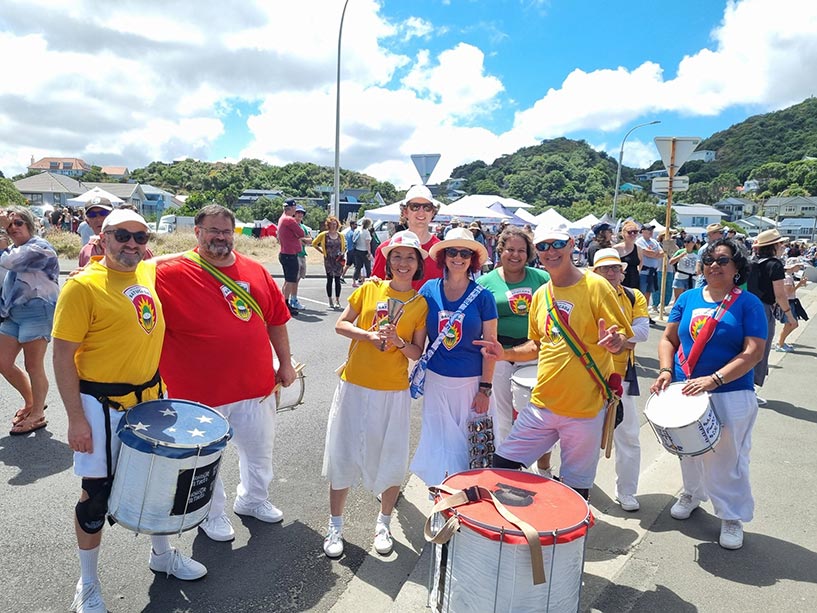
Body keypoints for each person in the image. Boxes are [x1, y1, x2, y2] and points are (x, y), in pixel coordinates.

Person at [53, 209, 206, 613]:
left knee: (158, 483)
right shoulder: (82, 287)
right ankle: (87, 584)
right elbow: (62, 356)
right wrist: (74, 418)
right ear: (102, 239)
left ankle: (161, 555)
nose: (132, 244)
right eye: (123, 235)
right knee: (94, 498)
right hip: (101, 408)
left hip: (152, 399)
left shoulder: (146, 272)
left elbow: (195, 254)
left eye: (140, 237)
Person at [155, 204, 297, 543]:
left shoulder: (255, 270)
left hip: (255, 385)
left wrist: (286, 363)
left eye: (226, 231)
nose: (220, 237)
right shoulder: (168, 272)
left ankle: (253, 500)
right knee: (204, 460)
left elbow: (276, 320)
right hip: (198, 391)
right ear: (197, 232)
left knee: (260, 450)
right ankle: (210, 513)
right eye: (212, 230)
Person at [476, 225, 631, 500]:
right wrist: (506, 354)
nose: (551, 251)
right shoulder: (541, 295)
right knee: (503, 465)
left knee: (576, 490)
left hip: (584, 410)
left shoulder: (596, 286)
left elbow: (619, 336)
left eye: (557, 244)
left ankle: (565, 541)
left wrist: (614, 341)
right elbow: (536, 345)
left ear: (571, 244)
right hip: (543, 404)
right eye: (544, 246)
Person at [650, 238, 766, 550]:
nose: (715, 265)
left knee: (728, 457)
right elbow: (668, 340)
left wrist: (714, 380)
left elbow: (753, 351)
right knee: (688, 449)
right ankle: (692, 492)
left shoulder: (748, 303)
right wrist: (664, 370)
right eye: (709, 259)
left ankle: (731, 515)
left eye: (723, 260)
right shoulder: (687, 298)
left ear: (737, 267)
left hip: (730, 391)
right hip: (686, 388)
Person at [322, 231, 429, 558]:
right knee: (343, 452)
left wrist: (397, 340)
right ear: (388, 259)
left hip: (392, 391)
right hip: (354, 384)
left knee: (391, 456)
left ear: (418, 264)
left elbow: (416, 352)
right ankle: (335, 525)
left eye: (410, 257)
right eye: (397, 256)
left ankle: (383, 523)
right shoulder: (369, 289)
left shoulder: (419, 303)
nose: (403, 263)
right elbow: (341, 325)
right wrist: (367, 335)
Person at [410, 228, 498, 486]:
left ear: (473, 259)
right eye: (452, 251)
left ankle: (465, 495)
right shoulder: (428, 289)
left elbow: (491, 347)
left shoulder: (484, 297)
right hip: (437, 380)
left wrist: (485, 389)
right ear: (443, 256)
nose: (458, 257)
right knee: (437, 438)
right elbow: (416, 329)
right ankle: (439, 490)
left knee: (468, 442)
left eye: (465, 253)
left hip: (471, 383)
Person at [476, 227, 549, 447]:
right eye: (510, 249)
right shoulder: (485, 283)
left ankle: (536, 463)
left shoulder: (543, 278)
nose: (515, 255)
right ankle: (504, 460)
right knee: (501, 414)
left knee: (535, 412)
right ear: (500, 251)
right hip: (498, 355)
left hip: (533, 353)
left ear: (529, 254)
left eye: (521, 250)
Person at [590, 248, 649, 511]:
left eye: (615, 268)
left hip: (622, 374)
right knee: (584, 435)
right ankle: (581, 486)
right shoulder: (586, 296)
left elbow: (643, 331)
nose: (611, 273)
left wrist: (621, 339)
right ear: (595, 272)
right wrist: (626, 338)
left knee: (628, 435)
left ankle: (626, 490)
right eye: (605, 269)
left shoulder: (633, 296)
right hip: (589, 375)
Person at [0, 207, 60, 435]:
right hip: (13, 313)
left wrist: (1, 228)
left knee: (33, 366)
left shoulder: (40, 248)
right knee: (3, 362)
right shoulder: (13, 248)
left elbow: (11, 263)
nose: (13, 228)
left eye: (18, 223)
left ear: (29, 225)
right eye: (10, 224)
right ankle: (31, 401)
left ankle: (37, 414)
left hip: (38, 311)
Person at [747, 228, 792, 403]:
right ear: (773, 246)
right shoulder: (775, 265)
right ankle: (751, 389)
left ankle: (745, 386)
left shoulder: (752, 262)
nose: (783, 246)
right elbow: (780, 294)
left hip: (748, 307)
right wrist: (789, 315)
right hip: (765, 309)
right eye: (781, 243)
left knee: (747, 347)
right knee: (760, 349)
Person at [372, 184, 443, 290]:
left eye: (427, 207)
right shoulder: (386, 249)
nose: (421, 211)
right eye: (415, 206)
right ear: (405, 211)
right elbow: (375, 288)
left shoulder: (441, 250)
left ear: (433, 212)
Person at [277, 199, 307, 314]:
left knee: (287, 281)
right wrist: (296, 234)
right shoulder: (289, 220)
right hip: (290, 254)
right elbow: (301, 233)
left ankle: (284, 303)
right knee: (290, 281)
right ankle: (285, 304)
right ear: (293, 208)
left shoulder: (282, 218)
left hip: (285, 253)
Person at [774, 257, 808, 352]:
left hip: (790, 301)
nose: (799, 268)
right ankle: (780, 343)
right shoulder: (788, 277)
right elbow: (789, 291)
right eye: (798, 266)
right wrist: (800, 284)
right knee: (790, 324)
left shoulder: (788, 276)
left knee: (791, 324)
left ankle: (781, 342)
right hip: (789, 302)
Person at [313, 216, 346, 309]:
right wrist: (323, 252)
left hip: (338, 260)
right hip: (329, 260)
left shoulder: (341, 235)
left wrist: (343, 254)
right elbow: (314, 243)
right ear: (328, 225)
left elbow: (343, 247)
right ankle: (330, 300)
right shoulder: (324, 235)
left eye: (335, 224)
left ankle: (337, 300)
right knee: (330, 279)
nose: (333, 226)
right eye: (331, 224)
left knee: (337, 280)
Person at [635, 224, 663, 312]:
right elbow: (647, 252)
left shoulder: (654, 242)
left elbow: (662, 253)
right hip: (643, 272)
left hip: (653, 272)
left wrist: (655, 254)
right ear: (642, 231)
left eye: (652, 229)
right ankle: (639, 313)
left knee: (648, 294)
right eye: (648, 229)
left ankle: (645, 313)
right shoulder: (639, 242)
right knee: (641, 295)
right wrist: (656, 254)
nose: (651, 231)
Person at [292, 205, 312, 310]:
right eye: (298, 212)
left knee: (298, 278)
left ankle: (292, 298)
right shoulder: (292, 225)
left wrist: (302, 239)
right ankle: (292, 299)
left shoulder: (303, 227)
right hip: (294, 255)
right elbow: (296, 239)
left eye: (302, 213)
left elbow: (310, 240)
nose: (300, 214)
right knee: (292, 279)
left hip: (302, 254)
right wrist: (303, 240)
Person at [670, 235, 700, 301]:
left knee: (689, 299)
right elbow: (671, 262)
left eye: (688, 242)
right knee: (678, 299)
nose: (686, 244)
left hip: (692, 278)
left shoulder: (697, 253)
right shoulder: (680, 251)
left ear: (693, 243)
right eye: (685, 242)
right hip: (680, 277)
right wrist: (680, 256)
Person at [615, 220, 642, 290]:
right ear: (623, 233)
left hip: (634, 281)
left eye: (635, 232)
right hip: (620, 281)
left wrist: (638, 273)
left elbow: (641, 263)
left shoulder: (639, 249)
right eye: (629, 232)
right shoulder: (616, 248)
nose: (633, 234)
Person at [351, 218, 373, 287]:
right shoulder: (366, 232)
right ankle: (369, 281)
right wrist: (369, 252)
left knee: (358, 267)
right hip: (365, 251)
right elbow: (367, 243)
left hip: (357, 250)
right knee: (367, 267)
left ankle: (354, 281)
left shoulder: (357, 230)